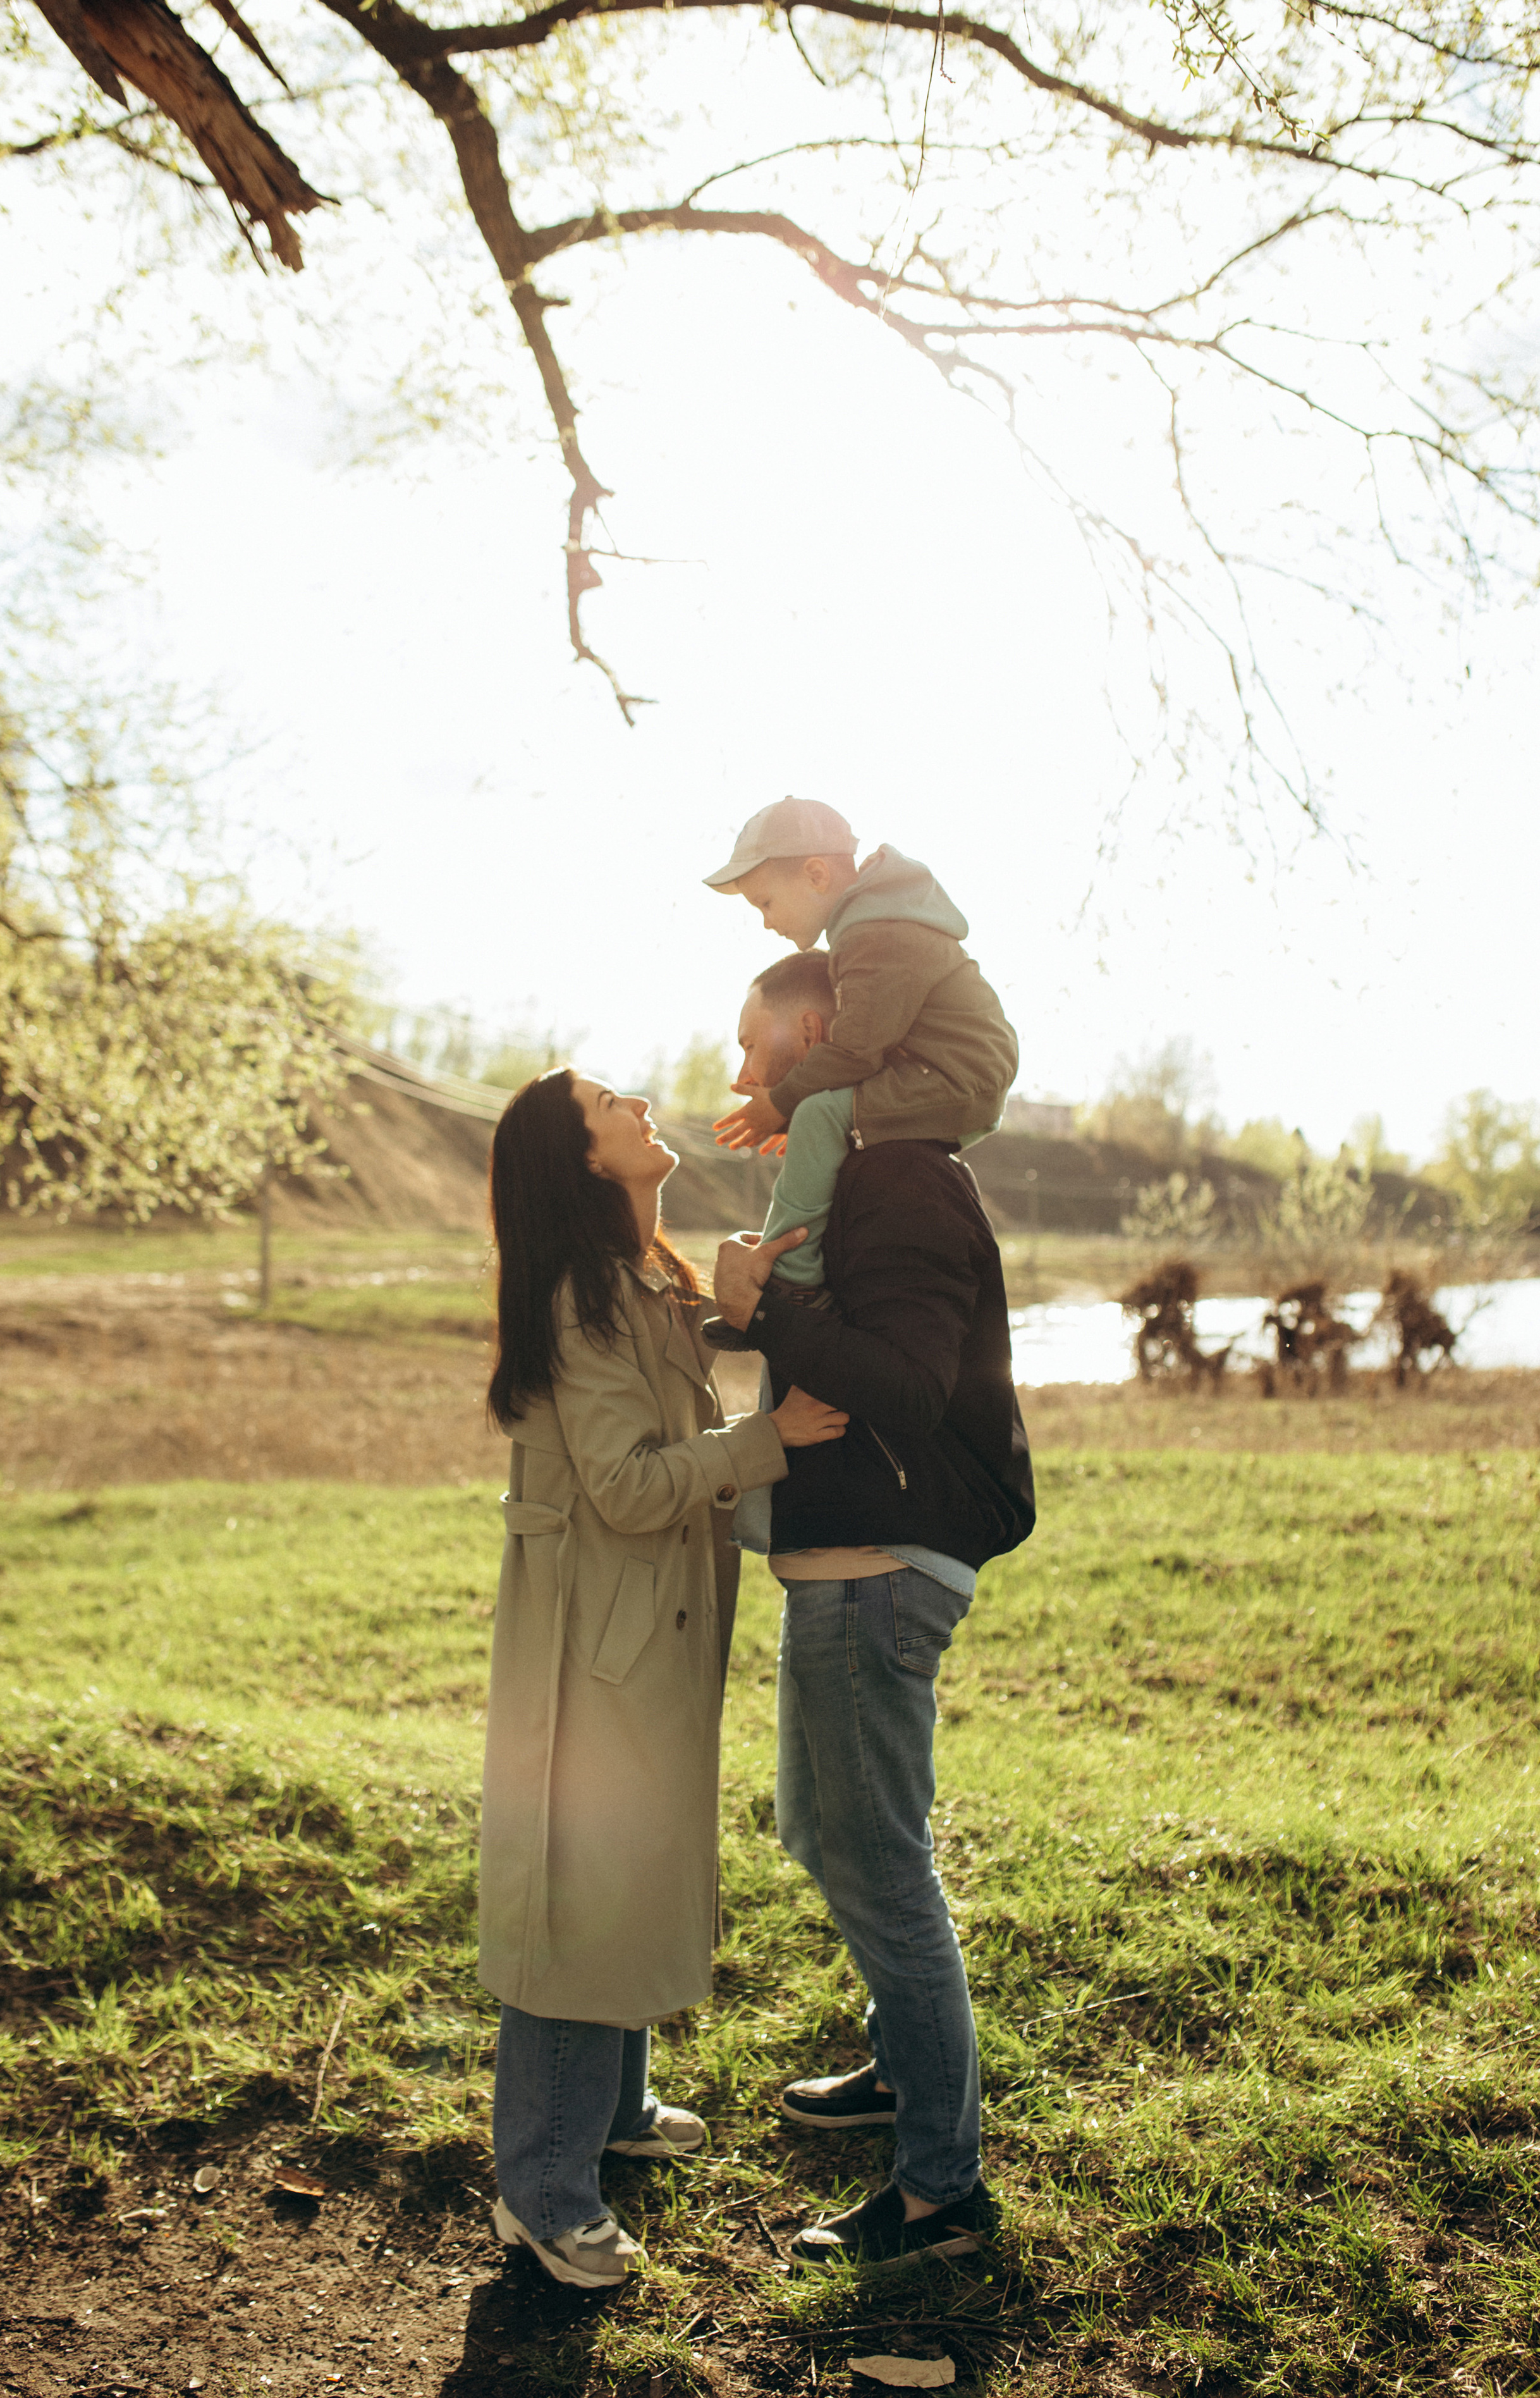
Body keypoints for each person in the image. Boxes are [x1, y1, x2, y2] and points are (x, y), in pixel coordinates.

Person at [479, 1067, 848, 2289]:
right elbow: (628, 1484)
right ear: (583, 1161)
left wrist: (736, 1293)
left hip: (645, 1623)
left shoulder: (643, 1279)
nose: (639, 1102)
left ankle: (615, 2112)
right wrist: (767, 1440)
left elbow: (681, 1354)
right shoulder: (580, 1298)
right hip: (599, 1634)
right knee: (580, 1898)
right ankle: (542, 2186)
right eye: (608, 1104)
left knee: (627, 1866)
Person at [711, 956, 1036, 2270]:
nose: (740, 1074)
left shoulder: (899, 1177)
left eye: (750, 1043)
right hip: (844, 1563)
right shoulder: (858, 1174)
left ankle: (936, 2196)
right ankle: (905, 2069)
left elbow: (901, 1386)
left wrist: (766, 1309)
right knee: (827, 1842)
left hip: (881, 1569)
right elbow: (838, 1352)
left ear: (814, 1028)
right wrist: (745, 1314)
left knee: (882, 1867)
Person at [701, 796, 1018, 1338]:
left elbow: (855, 1051)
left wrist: (781, 1103)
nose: (765, 922)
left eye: (767, 903)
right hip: (949, 1071)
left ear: (817, 874)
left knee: (821, 1116)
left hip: (955, 1076)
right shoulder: (876, 920)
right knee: (824, 1120)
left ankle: (793, 1280)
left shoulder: (873, 932)